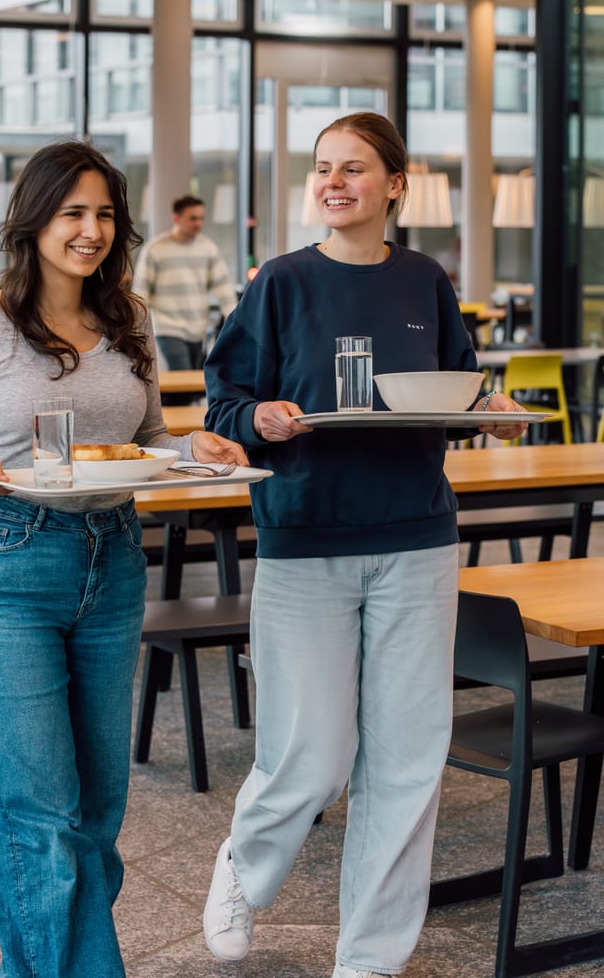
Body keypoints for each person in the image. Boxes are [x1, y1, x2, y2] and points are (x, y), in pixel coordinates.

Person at [0, 139, 247, 978]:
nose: (90, 230)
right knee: (40, 816)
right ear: (34, 221)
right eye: (72, 213)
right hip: (12, 567)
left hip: (113, 559)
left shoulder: (128, 318)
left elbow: (152, 441)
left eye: (103, 214)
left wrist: (198, 444)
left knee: (95, 812)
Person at [200, 112, 527, 978]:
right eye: (323, 168)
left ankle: (371, 958)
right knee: (310, 756)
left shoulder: (426, 279)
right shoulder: (281, 282)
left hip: (416, 535)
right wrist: (257, 417)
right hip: (306, 536)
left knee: (409, 757)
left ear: (395, 185)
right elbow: (224, 398)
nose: (334, 181)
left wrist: (486, 410)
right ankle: (244, 861)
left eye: (353, 168)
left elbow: (455, 386)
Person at [133, 194, 237, 371]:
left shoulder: (208, 248)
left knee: (194, 382)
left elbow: (224, 288)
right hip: (168, 328)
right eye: (193, 218)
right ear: (177, 218)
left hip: (198, 330)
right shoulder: (156, 248)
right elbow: (141, 292)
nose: (198, 223)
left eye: (201, 218)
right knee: (184, 376)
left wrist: (235, 320)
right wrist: (136, 331)